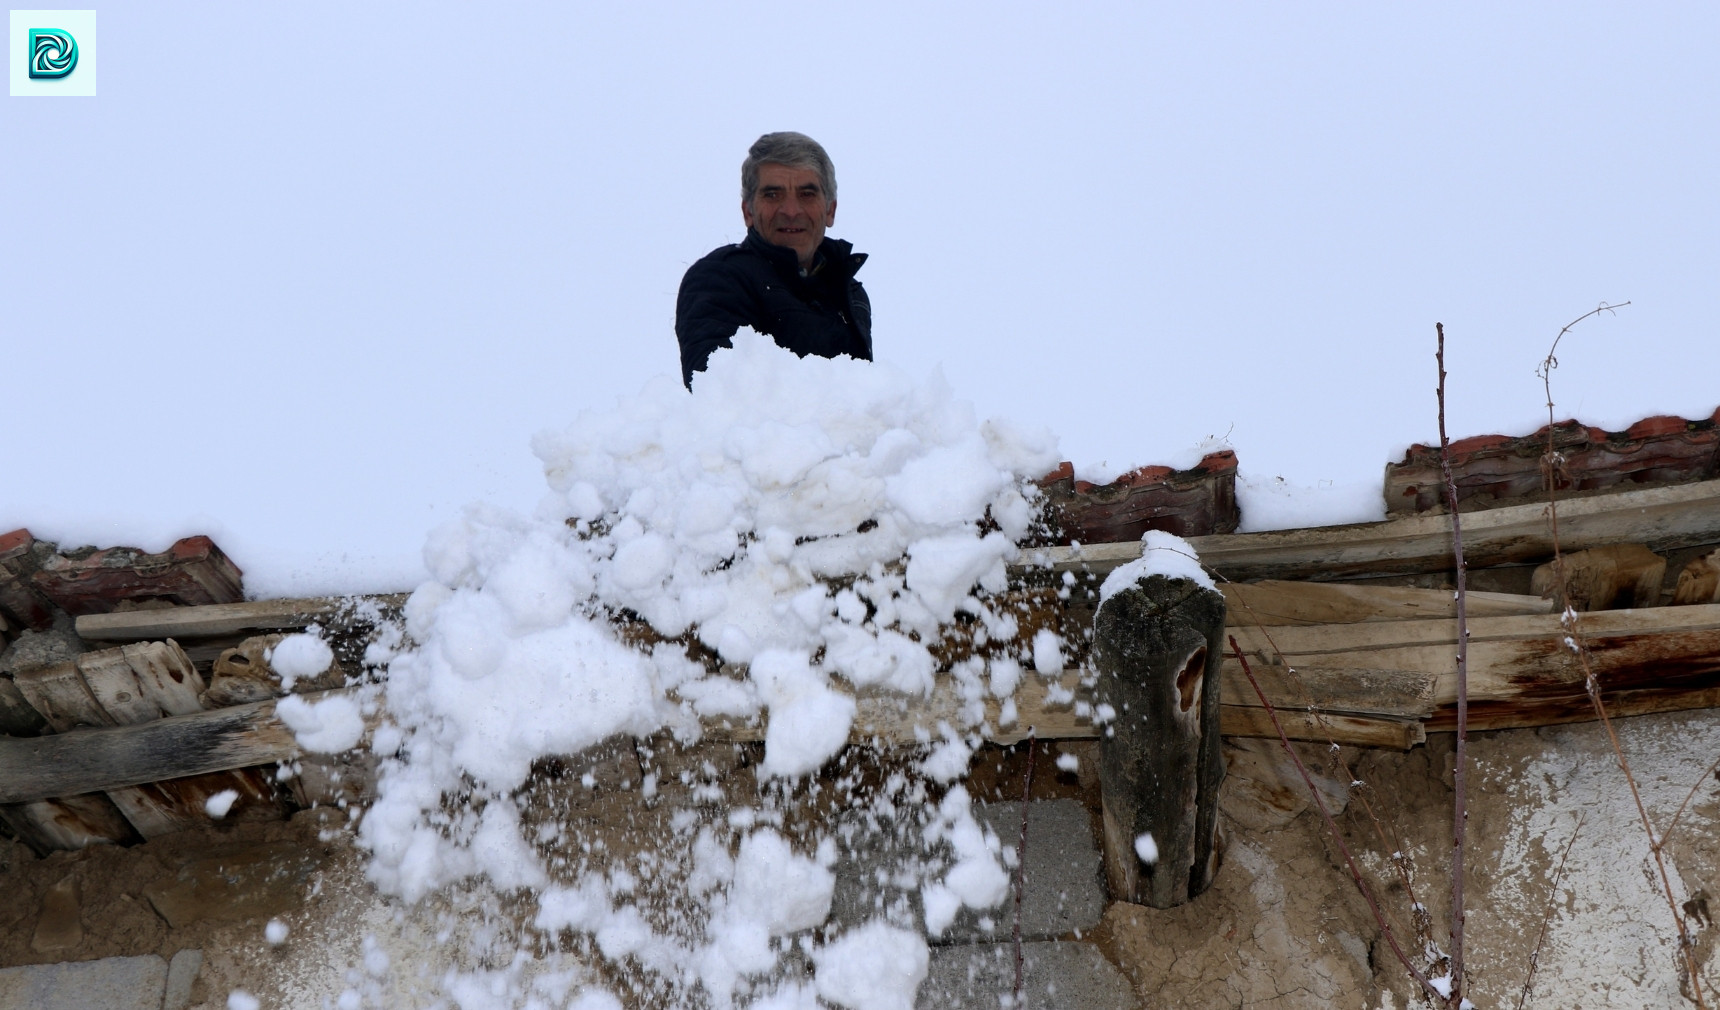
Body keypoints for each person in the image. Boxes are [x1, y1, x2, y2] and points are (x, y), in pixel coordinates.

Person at [675, 132, 872, 387]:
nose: (791, 211)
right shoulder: (719, 280)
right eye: (772, 195)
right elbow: (719, 393)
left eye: (807, 194)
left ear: (830, 210)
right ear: (748, 211)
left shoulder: (850, 293)